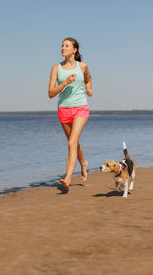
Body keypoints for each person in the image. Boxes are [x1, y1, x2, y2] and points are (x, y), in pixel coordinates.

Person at [48, 37, 93, 190]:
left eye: (66, 46)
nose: (63, 48)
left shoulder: (82, 66)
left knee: (71, 143)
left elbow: (88, 80)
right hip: (63, 109)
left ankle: (68, 177)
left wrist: (89, 88)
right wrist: (65, 83)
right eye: (62, 46)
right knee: (74, 143)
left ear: (74, 50)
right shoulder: (56, 68)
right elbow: (50, 93)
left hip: (80, 107)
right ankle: (84, 163)